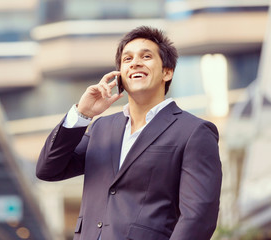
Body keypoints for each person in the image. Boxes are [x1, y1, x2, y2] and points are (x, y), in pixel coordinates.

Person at [36, 26, 222, 240]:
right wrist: (82, 113)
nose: (135, 62)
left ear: (167, 71)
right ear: (120, 76)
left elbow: (198, 217)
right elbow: (47, 169)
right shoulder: (101, 128)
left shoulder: (193, 132)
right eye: (127, 59)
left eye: (146, 56)